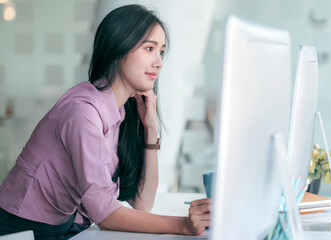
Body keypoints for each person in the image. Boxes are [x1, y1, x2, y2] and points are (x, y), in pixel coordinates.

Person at [0, 4, 210, 239]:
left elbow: (143, 203)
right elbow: (107, 217)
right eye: (149, 48)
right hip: (21, 230)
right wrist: (183, 225)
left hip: (65, 228)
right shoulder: (83, 112)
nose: (159, 62)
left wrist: (151, 129)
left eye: (161, 51)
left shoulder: (119, 113)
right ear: (118, 49)